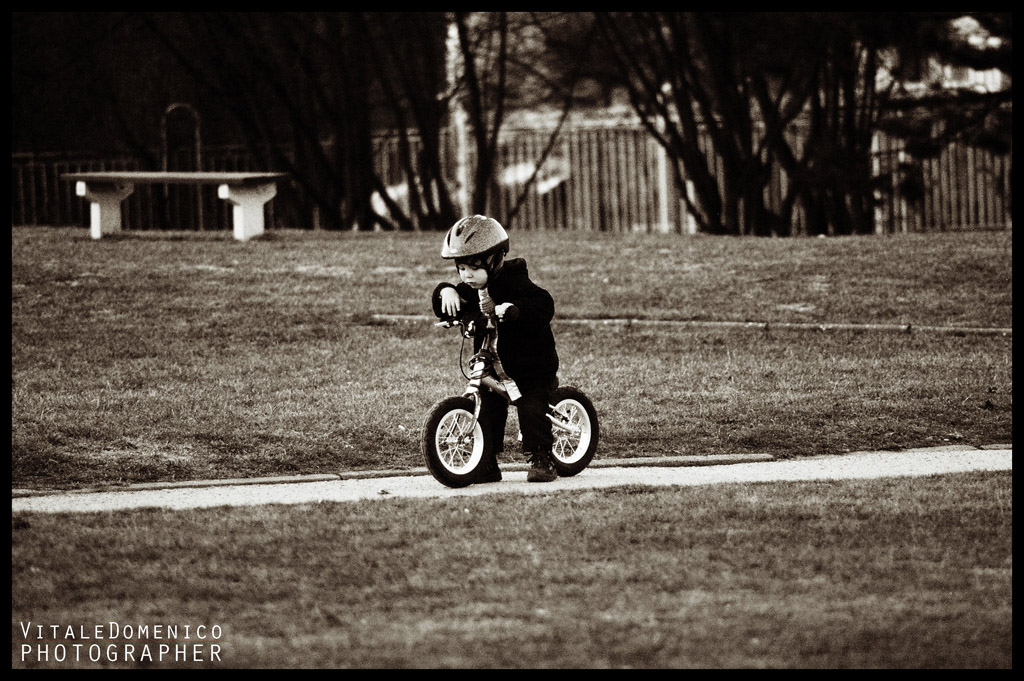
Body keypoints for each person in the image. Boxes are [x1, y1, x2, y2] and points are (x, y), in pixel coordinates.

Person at [431, 215, 559, 483]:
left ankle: (542, 458)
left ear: (494, 260)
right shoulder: (471, 288)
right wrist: (445, 292)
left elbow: (544, 303)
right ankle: (485, 462)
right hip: (493, 367)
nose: (466, 276)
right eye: (461, 268)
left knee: (531, 407)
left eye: (473, 268)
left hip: (529, 367)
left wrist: (515, 310)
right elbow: (453, 303)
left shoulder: (515, 282)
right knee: (488, 408)